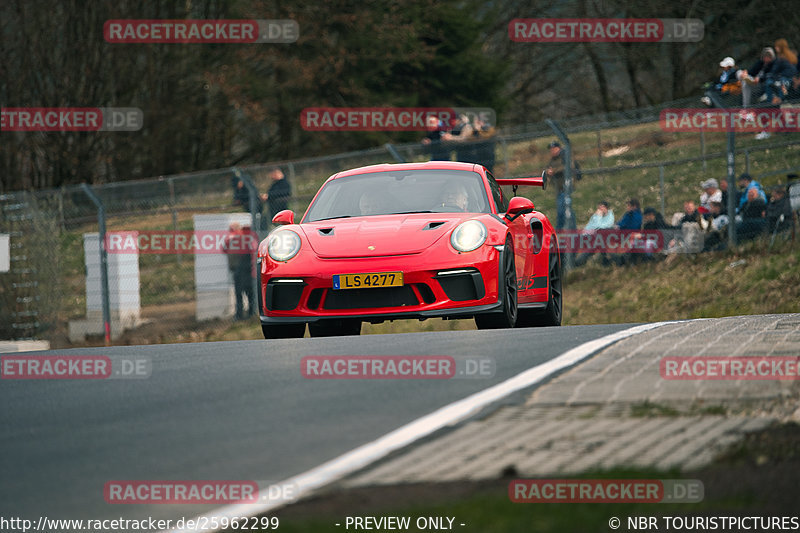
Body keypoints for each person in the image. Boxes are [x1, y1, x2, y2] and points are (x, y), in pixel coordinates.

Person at [223, 222, 256, 320]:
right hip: (244, 269)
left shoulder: (234, 238)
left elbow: (224, 249)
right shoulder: (245, 238)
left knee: (241, 293)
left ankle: (241, 314)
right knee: (248, 292)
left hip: (240, 269)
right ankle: (250, 313)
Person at [546, 141, 581, 230]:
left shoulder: (565, 156)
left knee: (564, 210)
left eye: (554, 149)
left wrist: (554, 170)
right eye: (551, 150)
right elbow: (548, 170)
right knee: (563, 210)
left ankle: (562, 229)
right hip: (559, 188)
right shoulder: (553, 160)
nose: (552, 151)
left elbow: (568, 166)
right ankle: (564, 229)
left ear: (559, 148)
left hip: (566, 187)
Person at [574, 201, 615, 266]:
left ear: (605, 207)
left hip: (599, 236)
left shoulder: (609, 216)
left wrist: (598, 216)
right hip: (590, 234)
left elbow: (602, 226)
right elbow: (589, 225)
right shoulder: (597, 215)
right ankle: (571, 260)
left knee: (591, 248)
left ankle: (577, 263)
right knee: (575, 239)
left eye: (601, 208)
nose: (599, 209)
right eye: (599, 208)